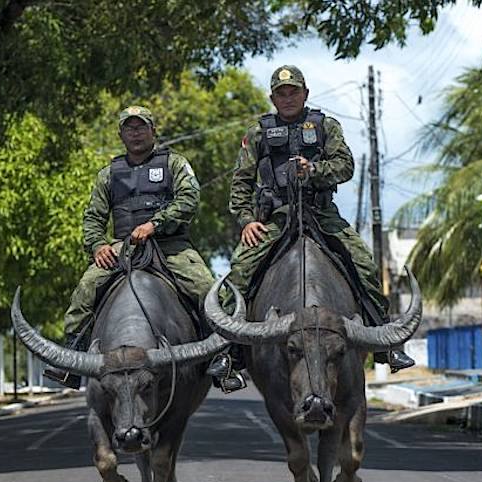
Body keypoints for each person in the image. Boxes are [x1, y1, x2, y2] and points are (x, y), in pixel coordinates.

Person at [207, 65, 415, 377]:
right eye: (281, 93)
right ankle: (227, 351)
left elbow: (345, 166)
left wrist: (314, 171)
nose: (288, 98)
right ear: (273, 98)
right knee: (239, 273)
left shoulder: (324, 126)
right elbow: (240, 183)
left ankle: (386, 341)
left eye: (294, 92)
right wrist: (247, 220)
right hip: (275, 218)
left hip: (321, 213)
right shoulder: (258, 132)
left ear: (305, 94)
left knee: (363, 263)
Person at [45, 105, 221, 389]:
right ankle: (72, 357)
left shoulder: (174, 163)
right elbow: (93, 217)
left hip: (170, 245)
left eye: (141, 127)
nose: (135, 132)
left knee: (205, 288)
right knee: (86, 288)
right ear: (121, 133)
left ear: (153, 131)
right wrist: (97, 245)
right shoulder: (108, 173)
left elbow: (189, 199)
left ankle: (221, 357)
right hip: (122, 247)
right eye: (129, 127)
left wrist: (155, 225)